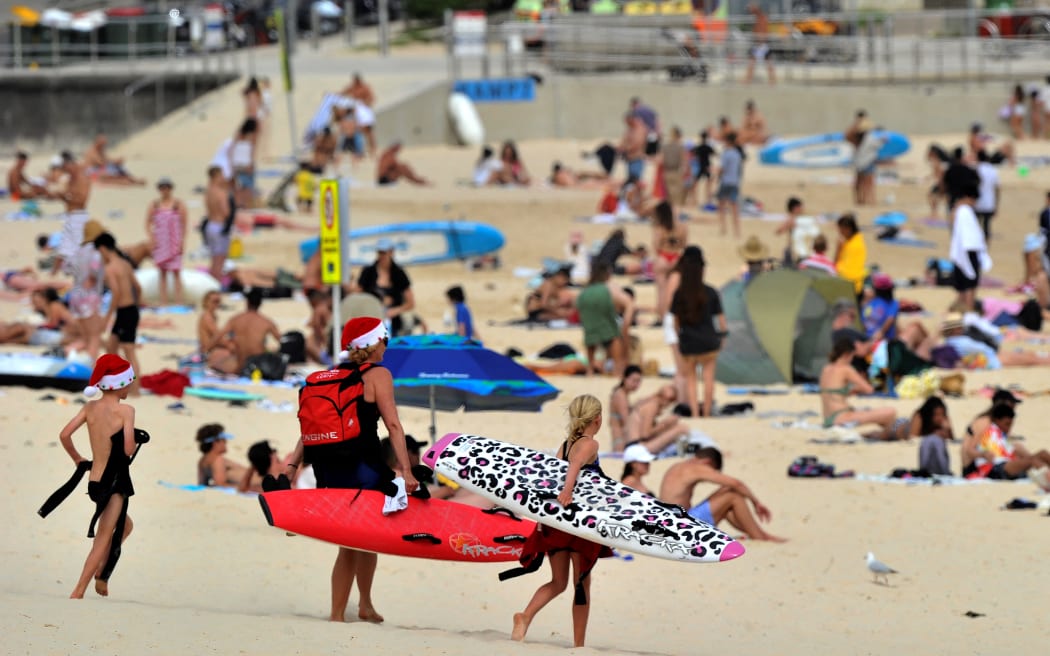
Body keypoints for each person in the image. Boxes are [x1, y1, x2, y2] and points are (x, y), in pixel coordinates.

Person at [286, 317, 419, 623]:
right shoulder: (378, 375)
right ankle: (337, 614)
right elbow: (394, 426)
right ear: (372, 343)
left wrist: (293, 467)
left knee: (364, 537)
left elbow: (310, 429)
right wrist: (407, 471)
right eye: (384, 338)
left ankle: (365, 605)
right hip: (364, 469)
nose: (387, 344)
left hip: (329, 469)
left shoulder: (329, 377)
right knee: (352, 542)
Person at [510, 394, 611, 647]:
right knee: (581, 584)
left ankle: (525, 616)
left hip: (557, 521)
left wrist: (546, 514)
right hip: (576, 522)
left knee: (559, 582)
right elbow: (574, 467)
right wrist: (567, 492)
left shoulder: (566, 444)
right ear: (597, 419)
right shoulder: (590, 444)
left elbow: (553, 472)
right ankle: (579, 645)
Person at [56, 354, 142, 598]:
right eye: (129, 381)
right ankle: (79, 590)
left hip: (95, 481)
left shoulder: (90, 407)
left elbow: (64, 435)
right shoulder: (126, 411)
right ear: (120, 384)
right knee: (104, 537)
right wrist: (134, 440)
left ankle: (101, 573)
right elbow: (127, 450)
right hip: (114, 482)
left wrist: (77, 458)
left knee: (125, 525)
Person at [659, 445, 785, 541]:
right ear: (707, 462)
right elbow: (736, 483)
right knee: (733, 495)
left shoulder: (677, 466)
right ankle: (759, 536)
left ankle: (756, 533)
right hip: (681, 528)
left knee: (726, 493)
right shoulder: (696, 468)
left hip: (668, 524)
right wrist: (756, 503)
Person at [669, 246, 725, 418]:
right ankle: (707, 412)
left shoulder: (680, 294)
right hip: (709, 340)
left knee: (691, 378)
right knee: (709, 378)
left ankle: (694, 412)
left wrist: (680, 338)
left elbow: (675, 323)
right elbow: (722, 322)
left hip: (689, 342)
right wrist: (722, 339)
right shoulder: (710, 292)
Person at [819, 338, 908, 440]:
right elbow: (868, 389)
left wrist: (850, 391)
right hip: (842, 418)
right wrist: (856, 389)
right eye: (852, 356)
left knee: (871, 413)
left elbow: (833, 391)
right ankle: (886, 433)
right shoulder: (846, 369)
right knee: (890, 412)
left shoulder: (826, 368)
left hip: (828, 419)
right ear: (847, 354)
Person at [94, 233, 142, 395]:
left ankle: (135, 390)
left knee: (129, 351)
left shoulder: (109, 268)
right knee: (111, 347)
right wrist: (137, 305)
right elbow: (138, 287)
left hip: (125, 312)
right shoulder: (125, 264)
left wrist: (106, 318)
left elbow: (116, 293)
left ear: (102, 249)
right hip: (131, 310)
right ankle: (116, 383)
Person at [576, 262, 634, 377]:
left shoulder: (585, 291)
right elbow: (628, 303)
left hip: (587, 305)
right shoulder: (609, 287)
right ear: (607, 275)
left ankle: (590, 370)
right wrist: (626, 324)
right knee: (613, 336)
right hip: (605, 301)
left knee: (591, 337)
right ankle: (618, 370)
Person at [205, 288, 281, 375]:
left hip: (240, 366)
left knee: (216, 355)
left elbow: (218, 336)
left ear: (247, 302)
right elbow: (281, 341)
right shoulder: (267, 322)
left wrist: (206, 350)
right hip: (259, 365)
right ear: (260, 304)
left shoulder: (235, 319)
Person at [963, 403, 1050, 479]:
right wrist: (983, 454)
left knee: (1042, 453)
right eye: (1007, 424)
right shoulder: (986, 428)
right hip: (994, 468)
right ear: (997, 420)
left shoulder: (1001, 434)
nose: (1008, 428)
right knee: (1032, 461)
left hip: (1007, 463)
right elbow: (969, 450)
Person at [357, 239, 415, 336]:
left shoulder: (399, 274)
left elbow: (411, 303)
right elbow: (358, 296)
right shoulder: (368, 272)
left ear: (391, 252)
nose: (381, 256)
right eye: (379, 252)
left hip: (393, 325)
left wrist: (394, 311)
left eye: (384, 252)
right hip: (369, 323)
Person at [145, 177, 188, 305]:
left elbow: (184, 224)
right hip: (161, 242)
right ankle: (163, 301)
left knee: (176, 272)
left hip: (174, 241)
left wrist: (182, 241)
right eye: (162, 188)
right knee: (162, 273)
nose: (165, 190)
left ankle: (178, 300)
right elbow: (147, 223)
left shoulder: (178, 205)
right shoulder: (154, 205)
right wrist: (152, 238)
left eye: (167, 187)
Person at [48, 151, 92, 277]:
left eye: (65, 167)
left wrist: (66, 196)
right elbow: (68, 197)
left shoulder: (82, 178)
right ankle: (53, 274)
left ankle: (83, 274)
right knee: (64, 247)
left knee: (79, 249)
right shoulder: (69, 179)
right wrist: (60, 196)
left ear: (71, 164)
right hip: (70, 215)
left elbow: (82, 200)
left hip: (79, 216)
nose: (65, 170)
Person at [949, 185, 990, 312]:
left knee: (962, 287)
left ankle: (958, 312)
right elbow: (971, 236)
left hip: (961, 252)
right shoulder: (965, 211)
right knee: (969, 286)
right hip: (969, 251)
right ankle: (968, 312)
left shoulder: (957, 210)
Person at [625, 384, 691, 455]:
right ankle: (685, 451)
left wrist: (666, 426)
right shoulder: (652, 406)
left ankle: (682, 449)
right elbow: (645, 435)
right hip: (638, 447)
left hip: (636, 445)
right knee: (682, 428)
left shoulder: (649, 402)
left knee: (675, 427)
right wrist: (664, 424)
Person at [651, 200, 687, 318]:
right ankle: (674, 316)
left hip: (663, 257)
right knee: (675, 290)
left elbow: (656, 246)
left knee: (661, 290)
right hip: (676, 257)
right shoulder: (682, 227)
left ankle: (661, 317)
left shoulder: (660, 227)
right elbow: (684, 245)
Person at [204, 165, 236, 282]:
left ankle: (212, 283)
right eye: (221, 175)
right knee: (220, 259)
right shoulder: (221, 192)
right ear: (216, 176)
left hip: (210, 225)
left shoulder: (208, 191)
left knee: (213, 259)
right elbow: (226, 212)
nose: (223, 178)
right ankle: (216, 284)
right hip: (220, 226)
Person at [913, 396, 954, 476]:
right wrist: (935, 433)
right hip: (899, 427)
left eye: (942, 414)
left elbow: (951, 439)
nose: (939, 418)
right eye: (936, 415)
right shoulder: (920, 416)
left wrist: (947, 430)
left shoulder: (945, 419)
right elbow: (913, 437)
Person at [608, 365, 642, 452]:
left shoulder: (622, 394)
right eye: (634, 380)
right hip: (621, 443)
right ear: (624, 378)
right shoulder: (620, 395)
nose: (636, 384)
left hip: (621, 441)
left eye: (638, 381)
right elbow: (627, 422)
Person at [343, 73, 377, 157]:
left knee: (368, 132)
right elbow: (344, 92)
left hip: (364, 110)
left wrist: (366, 102)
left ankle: (372, 149)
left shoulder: (365, 87)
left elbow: (372, 98)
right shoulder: (352, 87)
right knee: (357, 130)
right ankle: (359, 150)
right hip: (357, 110)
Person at [717, 132, 743, 238]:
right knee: (734, 207)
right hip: (735, 182)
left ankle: (723, 228)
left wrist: (716, 174)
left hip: (725, 181)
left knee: (721, 205)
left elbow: (722, 169)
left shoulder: (726, 154)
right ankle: (736, 230)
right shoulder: (737, 154)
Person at [834, 214, 867, 296]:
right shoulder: (849, 242)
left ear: (848, 229)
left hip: (851, 287)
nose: (840, 232)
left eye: (841, 229)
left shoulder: (855, 245)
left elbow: (849, 271)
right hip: (848, 284)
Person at [229, 119, 258, 209]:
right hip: (245, 164)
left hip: (237, 164)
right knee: (248, 186)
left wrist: (231, 164)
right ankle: (245, 205)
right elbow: (251, 152)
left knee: (238, 187)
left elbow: (232, 150)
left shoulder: (238, 135)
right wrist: (251, 164)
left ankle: (238, 204)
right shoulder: (251, 137)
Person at [862, 273, 899, 343]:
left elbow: (864, 321)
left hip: (866, 338)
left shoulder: (870, 303)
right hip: (883, 340)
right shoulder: (893, 303)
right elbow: (890, 320)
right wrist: (881, 332)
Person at [744, 3, 774, 84]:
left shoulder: (762, 18)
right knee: (755, 62)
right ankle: (748, 80)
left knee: (758, 62)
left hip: (761, 44)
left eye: (751, 8)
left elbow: (764, 31)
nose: (750, 10)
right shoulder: (758, 18)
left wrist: (760, 42)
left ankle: (748, 80)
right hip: (759, 44)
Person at [658, 126, 688, 208]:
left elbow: (661, 160)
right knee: (677, 196)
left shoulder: (665, 146)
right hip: (676, 172)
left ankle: (671, 215)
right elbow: (684, 161)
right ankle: (676, 216)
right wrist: (686, 172)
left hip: (666, 172)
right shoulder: (680, 147)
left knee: (669, 195)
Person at [974, 150, 1000, 242]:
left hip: (977, 203)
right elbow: (997, 189)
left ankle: (976, 244)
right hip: (989, 203)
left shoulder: (977, 169)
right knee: (987, 227)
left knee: (976, 226)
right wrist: (996, 204)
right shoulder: (993, 170)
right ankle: (985, 246)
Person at [774, 196, 804, 266]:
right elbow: (778, 231)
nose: (802, 209)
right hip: (794, 251)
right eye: (800, 207)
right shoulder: (792, 219)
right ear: (795, 208)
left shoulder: (795, 218)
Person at [618, 113, 647, 182]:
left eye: (627, 122)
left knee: (635, 179)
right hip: (629, 158)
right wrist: (620, 147)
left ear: (632, 120)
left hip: (637, 158)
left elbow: (638, 143)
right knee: (630, 179)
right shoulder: (629, 129)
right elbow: (624, 140)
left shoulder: (640, 129)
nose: (627, 124)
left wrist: (625, 148)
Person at [691, 129, 717, 206]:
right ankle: (708, 200)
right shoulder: (708, 147)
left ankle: (695, 200)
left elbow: (692, 153)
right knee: (708, 184)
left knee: (695, 184)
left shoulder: (698, 147)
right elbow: (715, 153)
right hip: (707, 166)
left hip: (699, 167)